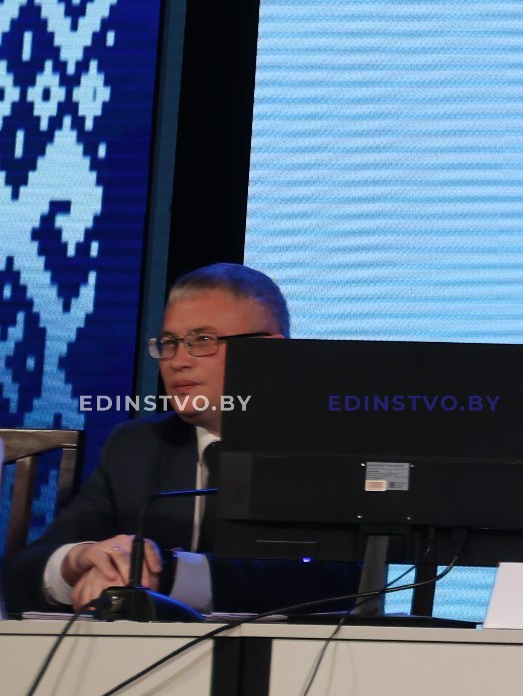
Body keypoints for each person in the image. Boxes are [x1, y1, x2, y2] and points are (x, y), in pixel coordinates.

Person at [4, 264, 351, 616]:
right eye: (168, 344)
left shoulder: (331, 446)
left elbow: (337, 580)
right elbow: (23, 576)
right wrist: (79, 560)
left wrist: (165, 575)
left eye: (203, 341)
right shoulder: (137, 447)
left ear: (269, 353)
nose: (177, 362)